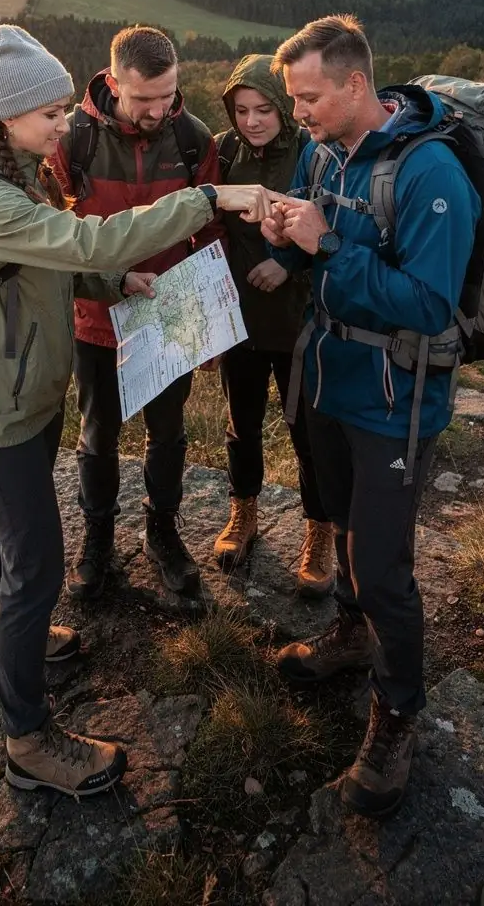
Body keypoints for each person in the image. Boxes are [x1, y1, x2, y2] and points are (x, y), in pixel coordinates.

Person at [0, 23, 272, 800]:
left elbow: (54, 268)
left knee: (3, 535)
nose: (63, 125)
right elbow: (86, 240)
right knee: (37, 563)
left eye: (63, 111)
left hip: (22, 391)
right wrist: (207, 198)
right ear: (8, 114)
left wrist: (116, 286)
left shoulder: (15, 173)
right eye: (50, 112)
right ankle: (28, 741)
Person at [261, 14, 480, 818]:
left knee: (384, 563)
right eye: (293, 98)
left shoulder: (431, 175)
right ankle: (351, 635)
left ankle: (397, 711)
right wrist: (287, 232)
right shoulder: (322, 151)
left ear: (357, 84)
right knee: (345, 525)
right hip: (328, 378)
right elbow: (319, 234)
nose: (299, 112)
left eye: (309, 96)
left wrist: (325, 248)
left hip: (396, 401)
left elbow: (427, 306)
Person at [50, 26, 225, 601]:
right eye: (144, 98)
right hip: (96, 317)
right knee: (98, 435)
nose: (158, 109)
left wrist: (210, 320)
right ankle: (97, 539)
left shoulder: (195, 139)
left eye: (168, 94)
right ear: (113, 81)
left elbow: (210, 229)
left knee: (168, 433)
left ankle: (162, 532)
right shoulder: (72, 140)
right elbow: (52, 235)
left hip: (168, 313)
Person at [212, 54, 333, 595]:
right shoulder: (223, 152)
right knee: (242, 423)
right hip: (237, 317)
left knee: (307, 429)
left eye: (264, 108)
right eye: (241, 110)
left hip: (296, 319)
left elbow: (329, 228)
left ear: (284, 107)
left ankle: (319, 530)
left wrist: (285, 264)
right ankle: (244, 512)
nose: (253, 120)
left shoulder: (313, 153)